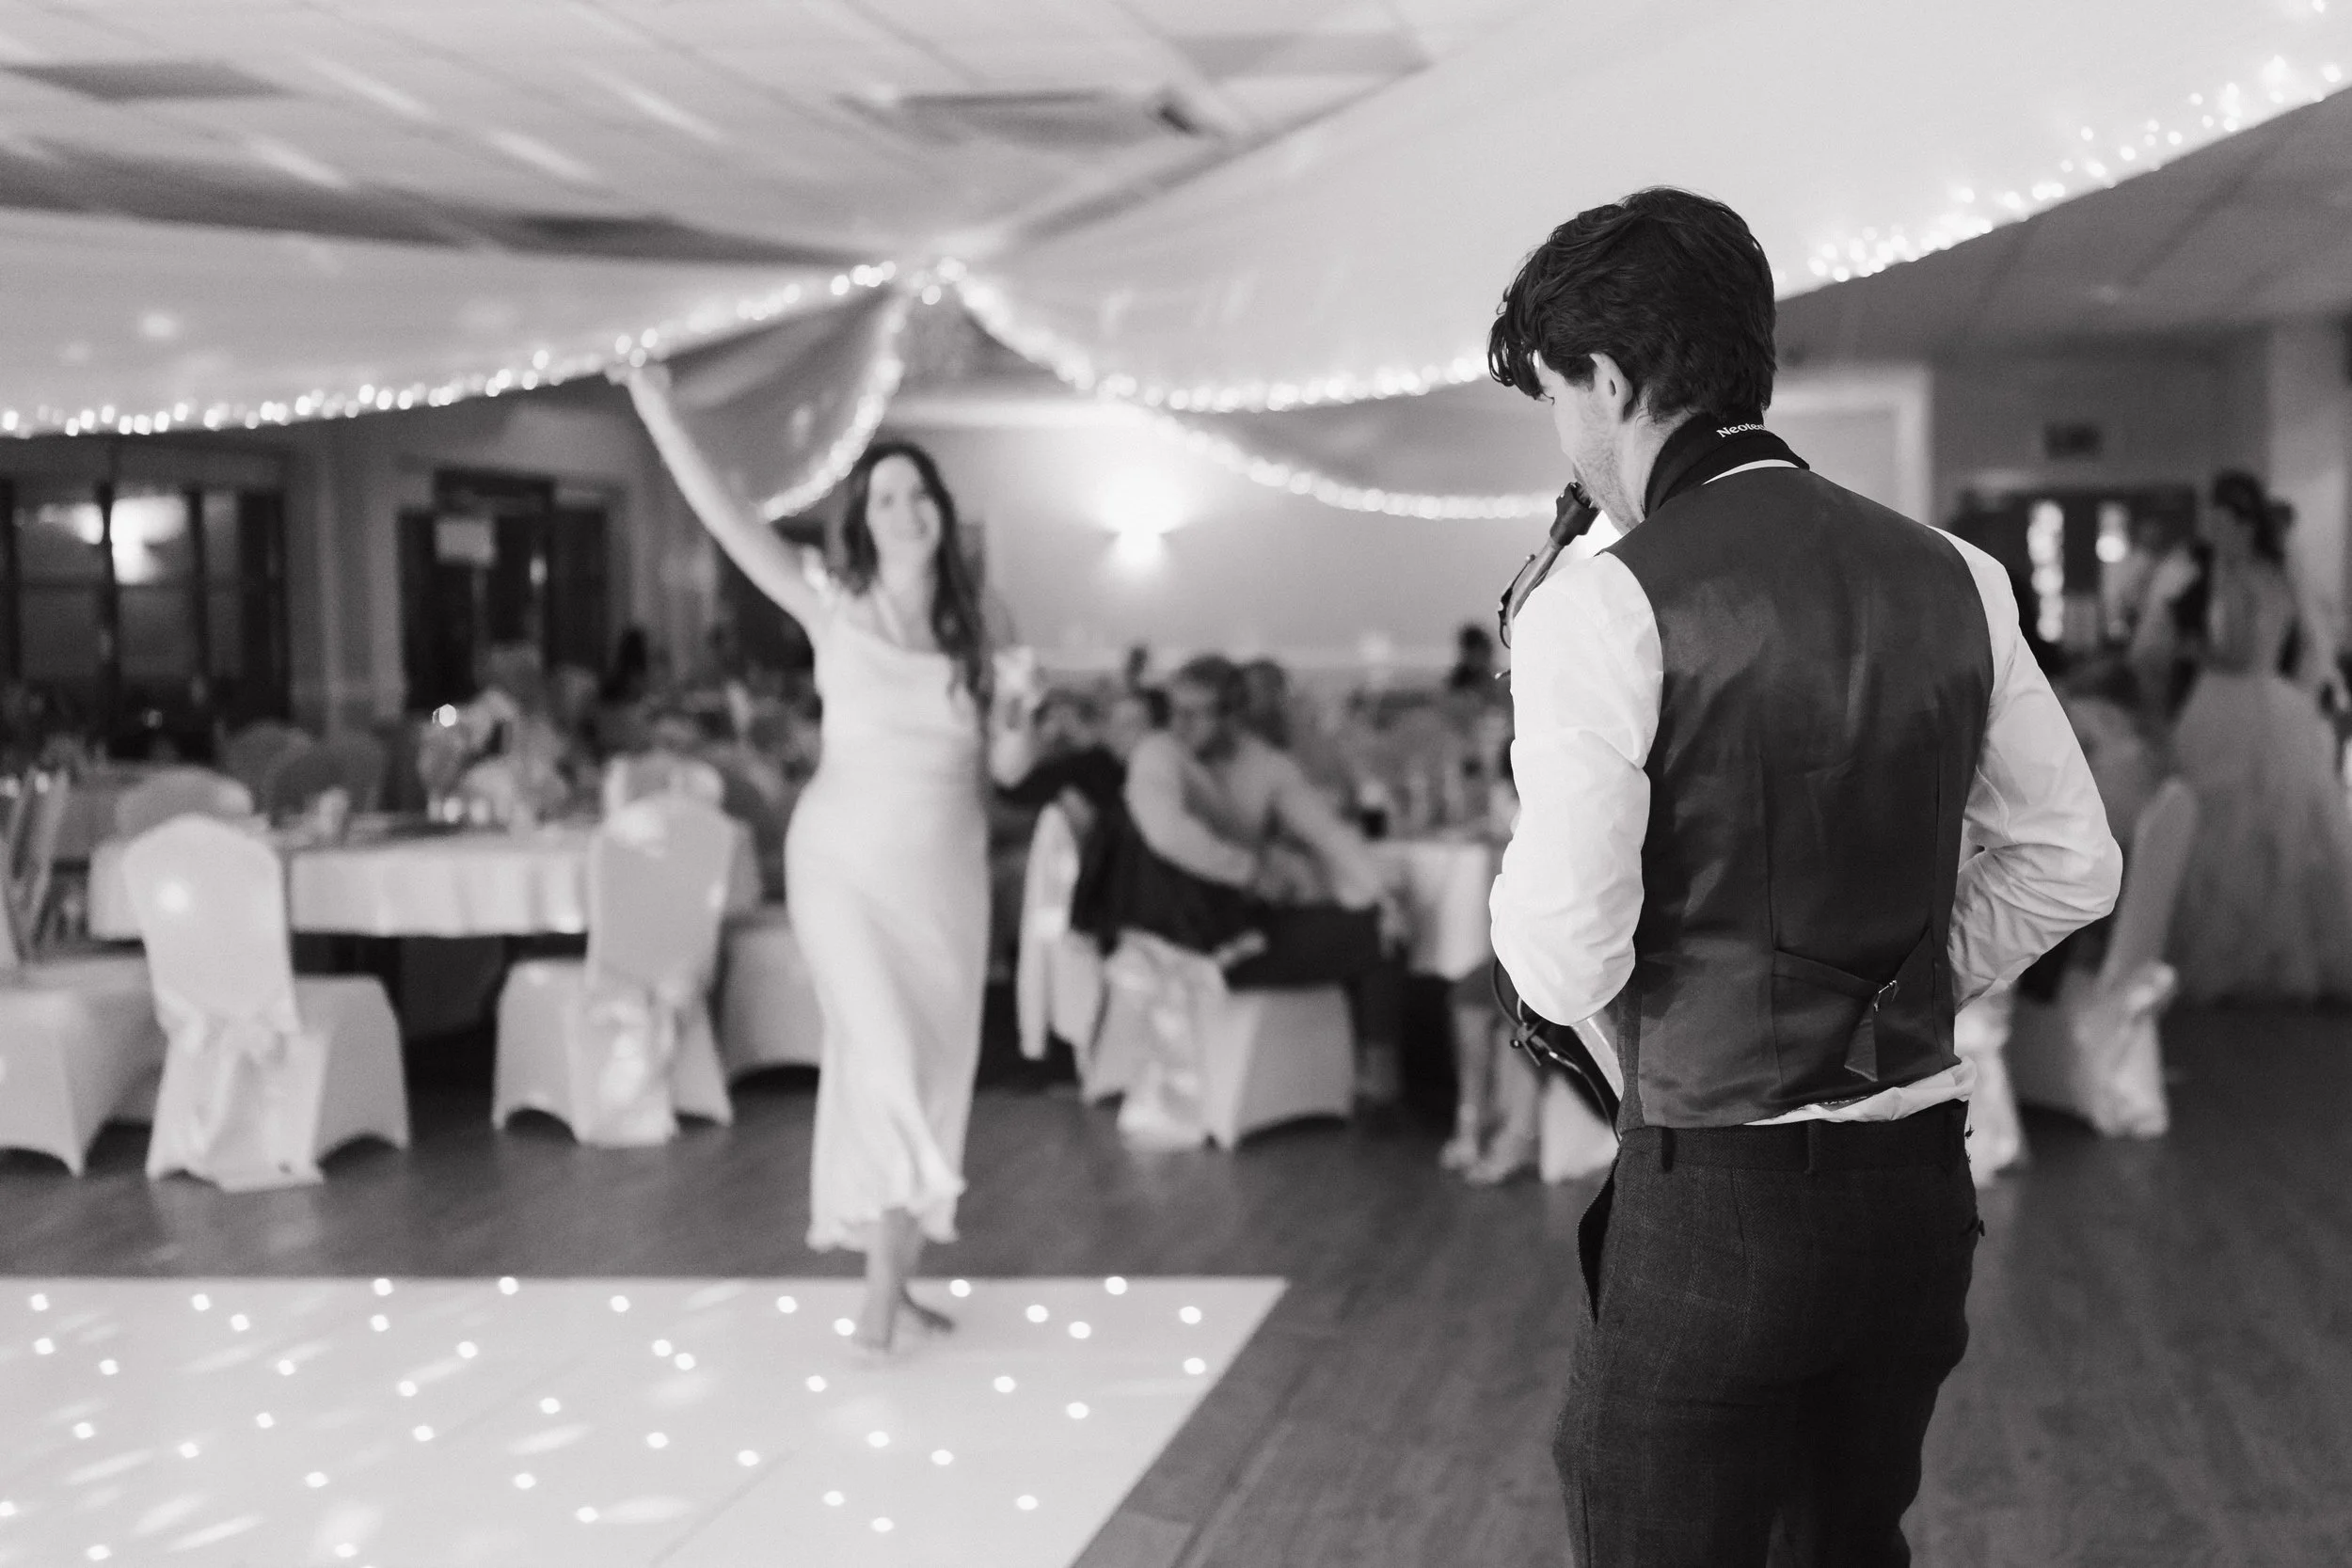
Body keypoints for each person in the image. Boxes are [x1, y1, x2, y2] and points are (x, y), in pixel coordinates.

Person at [1485, 187, 2120, 1565]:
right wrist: (1904, 977)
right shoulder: (1957, 571)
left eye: (1555, 396)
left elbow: (1562, 958)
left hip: (1716, 1201)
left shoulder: (1602, 600)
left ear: (1610, 377)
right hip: (1914, 1195)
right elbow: (2073, 864)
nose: (1569, 443)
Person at [630, 368, 990, 1354]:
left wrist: (1029, 725)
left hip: (947, 882)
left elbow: (1009, 765)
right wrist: (660, 403)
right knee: (886, 1059)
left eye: (919, 494)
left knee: (932, 1065)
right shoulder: (830, 604)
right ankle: (879, 1302)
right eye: (885, 496)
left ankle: (897, 1280)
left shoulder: (977, 636)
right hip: (843, 868)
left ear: (940, 516)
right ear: (863, 520)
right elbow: (725, 512)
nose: (905, 508)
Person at [1119, 655, 1406, 1108]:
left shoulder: (1265, 764)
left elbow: (1328, 832)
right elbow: (1169, 834)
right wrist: (1251, 872)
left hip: (1239, 927)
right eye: (1175, 711)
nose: (1180, 725)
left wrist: (1384, 896)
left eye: (1196, 713)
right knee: (1372, 937)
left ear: (1233, 715)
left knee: (1377, 925)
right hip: (1182, 937)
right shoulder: (1157, 755)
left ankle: (1371, 1075)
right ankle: (1379, 1081)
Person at [2141, 471, 2352, 1001]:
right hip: (2276, 703)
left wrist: (2193, 652)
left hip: (2229, 700)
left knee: (2221, 830)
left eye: (2218, 519)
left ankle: (2238, 957)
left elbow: (2237, 653)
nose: (2211, 529)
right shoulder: (2276, 574)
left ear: (2240, 523)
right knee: (2274, 836)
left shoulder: (2234, 575)